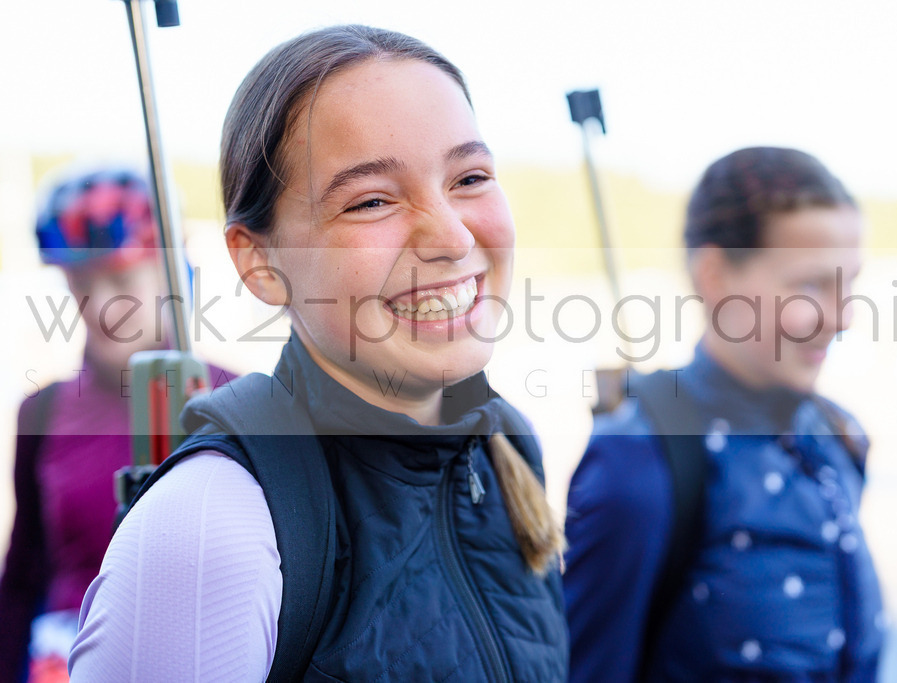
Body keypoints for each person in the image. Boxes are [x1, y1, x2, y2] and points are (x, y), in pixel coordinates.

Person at [68, 25, 569, 681]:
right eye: (371, 200)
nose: (451, 236)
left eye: (470, 177)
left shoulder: (507, 448)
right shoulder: (208, 529)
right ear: (260, 262)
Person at [563, 147, 886, 682]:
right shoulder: (639, 465)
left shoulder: (836, 435)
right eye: (810, 285)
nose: (843, 316)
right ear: (714, 275)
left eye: (849, 281)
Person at [0, 166, 232, 683]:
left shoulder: (237, 402)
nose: (102, 305)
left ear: (172, 274)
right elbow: (22, 580)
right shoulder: (42, 411)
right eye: (82, 283)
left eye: (123, 280)